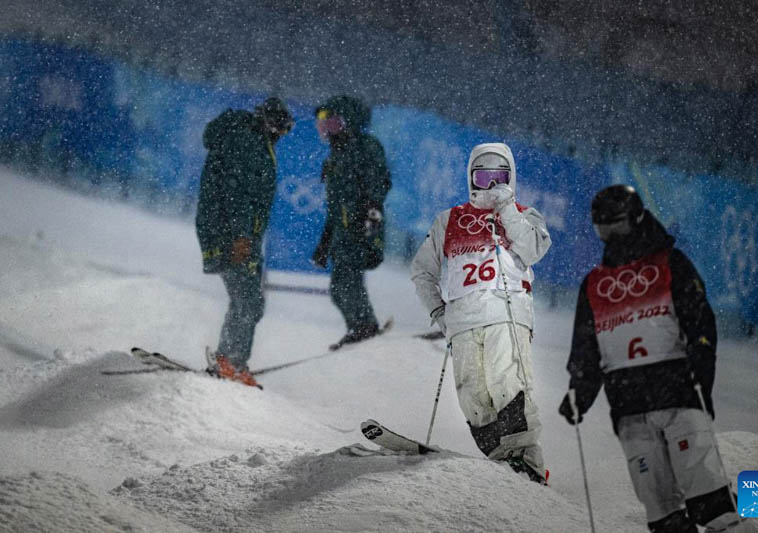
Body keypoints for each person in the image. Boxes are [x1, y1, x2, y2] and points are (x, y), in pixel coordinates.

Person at [558, 185, 757, 532]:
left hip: (678, 395)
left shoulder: (670, 263)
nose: (609, 236)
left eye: (616, 225)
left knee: (711, 504)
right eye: (601, 228)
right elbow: (587, 349)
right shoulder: (594, 283)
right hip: (630, 409)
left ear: (636, 218)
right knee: (663, 515)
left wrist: (700, 380)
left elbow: (700, 327)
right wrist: (580, 392)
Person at [411, 142, 552, 484]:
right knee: (474, 397)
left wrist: (506, 209)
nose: (491, 185)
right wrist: (439, 313)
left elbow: (534, 250)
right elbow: (422, 271)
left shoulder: (524, 214)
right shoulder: (450, 219)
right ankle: (500, 460)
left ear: (511, 178)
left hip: (506, 312)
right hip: (462, 322)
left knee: (508, 383)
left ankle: (527, 461)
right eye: (484, 177)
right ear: (471, 178)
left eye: (499, 177)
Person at [195, 97, 294, 387]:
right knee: (248, 299)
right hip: (231, 233)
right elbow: (236, 193)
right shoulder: (248, 142)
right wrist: (240, 235)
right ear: (264, 120)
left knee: (250, 300)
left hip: (235, 231)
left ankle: (231, 358)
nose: (279, 134)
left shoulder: (248, 138)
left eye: (284, 129)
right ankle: (230, 361)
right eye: (277, 127)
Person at [311, 95, 392, 349]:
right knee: (340, 286)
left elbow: (378, 181)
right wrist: (324, 244)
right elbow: (335, 208)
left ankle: (364, 327)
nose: (328, 130)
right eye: (323, 124)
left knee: (345, 283)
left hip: (360, 228)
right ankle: (360, 327)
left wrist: (370, 212)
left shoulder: (364, 146)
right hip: (343, 232)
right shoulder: (336, 156)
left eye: (333, 123)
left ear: (349, 123)